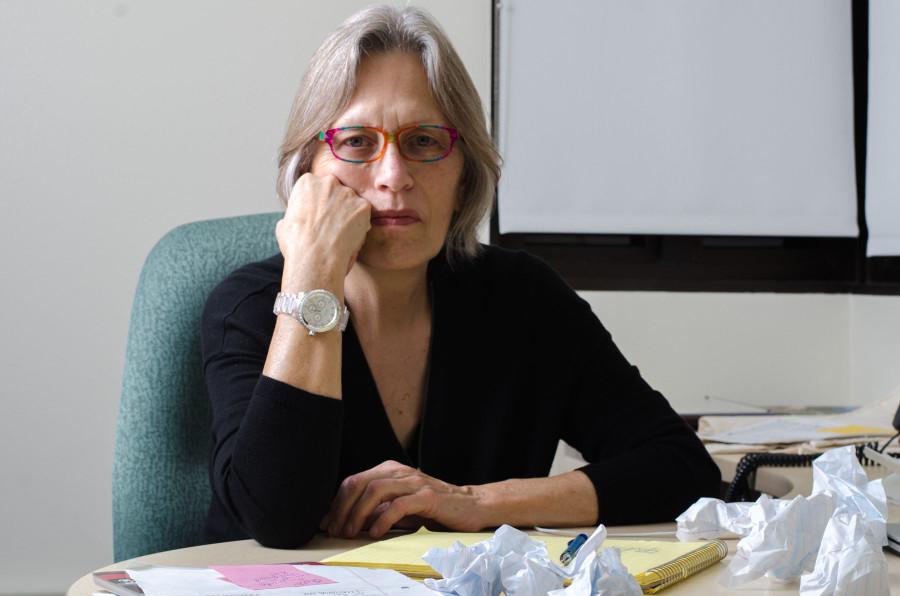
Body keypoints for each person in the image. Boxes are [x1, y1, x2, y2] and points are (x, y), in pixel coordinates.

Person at [201, 5, 720, 549]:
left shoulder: (524, 300)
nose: (393, 176)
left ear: (464, 169)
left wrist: (475, 503)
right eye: (356, 142)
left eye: (424, 142)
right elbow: (275, 517)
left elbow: (681, 469)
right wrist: (312, 277)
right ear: (308, 170)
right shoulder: (248, 306)